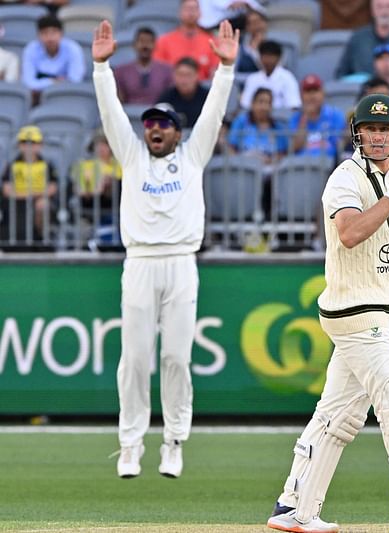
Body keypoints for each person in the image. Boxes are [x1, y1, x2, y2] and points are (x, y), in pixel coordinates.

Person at [266, 94, 389, 533]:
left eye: (386, 130)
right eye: (370, 130)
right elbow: (351, 233)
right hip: (355, 309)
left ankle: (293, 507)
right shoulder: (345, 178)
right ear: (358, 133)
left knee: (339, 416)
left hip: (379, 310)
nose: (378, 137)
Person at [91, 18, 238, 479]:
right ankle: (130, 444)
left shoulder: (192, 158)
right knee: (134, 359)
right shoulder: (131, 157)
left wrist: (226, 70)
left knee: (175, 357)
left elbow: (213, 114)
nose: (155, 128)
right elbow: (111, 112)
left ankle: (173, 441)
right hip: (139, 264)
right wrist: (101, 68)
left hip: (180, 263)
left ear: (177, 132)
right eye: (149, 123)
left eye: (164, 124)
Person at [1, 125, 58, 244]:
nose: (29, 147)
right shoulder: (12, 165)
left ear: (40, 145)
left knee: (43, 205)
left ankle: (43, 239)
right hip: (16, 204)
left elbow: (53, 188)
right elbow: (6, 190)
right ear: (19, 145)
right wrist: (33, 194)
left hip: (37, 203)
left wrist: (29, 195)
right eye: (24, 143)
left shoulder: (47, 164)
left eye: (33, 143)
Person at [335, 0, 389, 79]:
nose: (384, 12)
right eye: (379, 6)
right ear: (372, 10)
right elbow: (341, 75)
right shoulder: (358, 38)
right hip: (363, 89)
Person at [153, 0, 220, 81]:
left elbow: (214, 73)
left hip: (202, 89)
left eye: (194, 9)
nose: (191, 12)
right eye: (187, 8)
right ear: (180, 12)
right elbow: (158, 71)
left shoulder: (212, 42)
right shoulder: (164, 41)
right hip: (171, 88)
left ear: (200, 12)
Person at [21, 14, 85, 98]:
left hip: (68, 95)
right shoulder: (30, 49)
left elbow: (75, 80)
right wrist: (53, 82)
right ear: (38, 35)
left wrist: (42, 84)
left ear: (61, 33)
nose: (50, 38)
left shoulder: (73, 49)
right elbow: (28, 82)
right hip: (38, 97)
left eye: (54, 32)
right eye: (45, 33)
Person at [288, 75, 345, 159]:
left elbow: (339, 145)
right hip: (301, 166)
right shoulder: (295, 118)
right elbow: (295, 148)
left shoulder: (335, 115)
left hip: (330, 165)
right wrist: (305, 117)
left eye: (315, 90)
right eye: (308, 91)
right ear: (301, 96)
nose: (312, 95)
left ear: (323, 93)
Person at [114, 27, 174, 105]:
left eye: (149, 42)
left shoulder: (167, 71)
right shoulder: (121, 72)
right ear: (134, 45)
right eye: (141, 41)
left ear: (155, 45)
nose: (145, 46)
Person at [157, 57, 209, 128]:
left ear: (197, 76)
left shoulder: (208, 97)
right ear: (174, 75)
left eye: (188, 75)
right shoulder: (166, 97)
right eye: (180, 75)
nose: (184, 80)